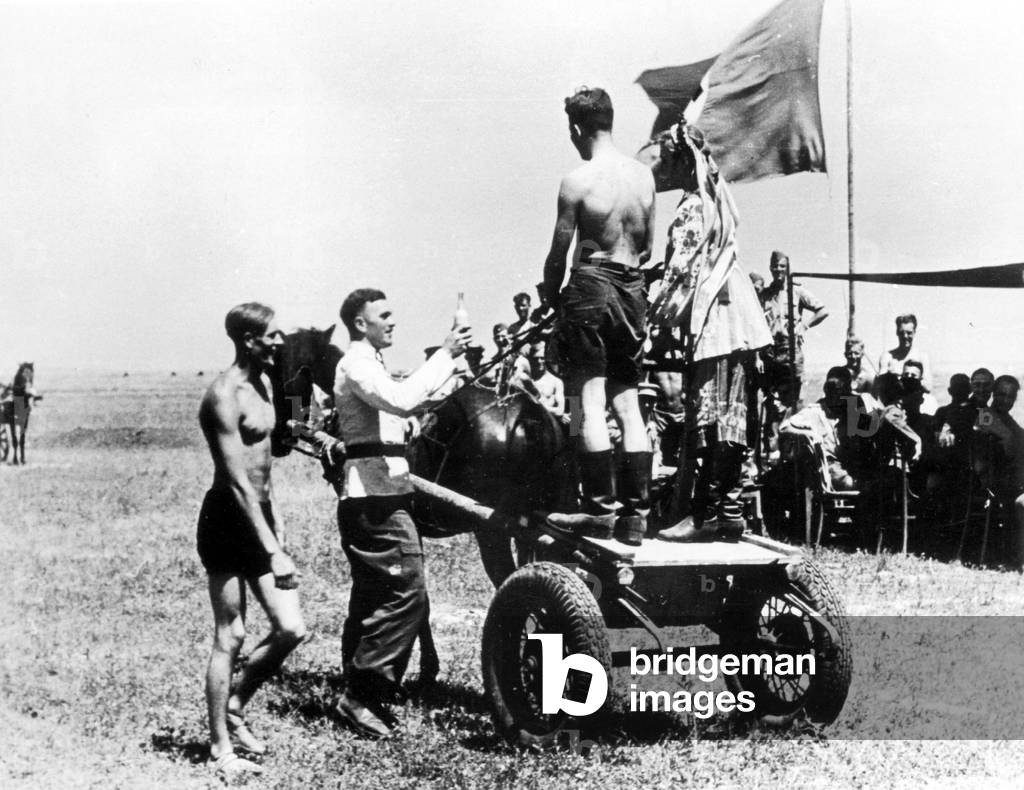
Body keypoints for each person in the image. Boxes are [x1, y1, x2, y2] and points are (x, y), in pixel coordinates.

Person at [331, 288, 471, 738]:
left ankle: (358, 686)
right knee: (408, 592)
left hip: (381, 492)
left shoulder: (371, 364)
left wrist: (452, 371)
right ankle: (362, 694)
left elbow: (412, 402)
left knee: (373, 595)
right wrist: (444, 355)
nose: (393, 322)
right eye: (383, 315)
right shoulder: (355, 364)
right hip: (373, 498)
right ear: (359, 322)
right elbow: (402, 401)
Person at [539, 86, 656, 545]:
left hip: (590, 286)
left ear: (576, 128)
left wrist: (551, 293)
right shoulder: (644, 177)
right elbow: (647, 248)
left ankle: (600, 512)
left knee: (588, 400)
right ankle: (636, 517)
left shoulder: (577, 180)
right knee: (628, 404)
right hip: (633, 289)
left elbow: (558, 252)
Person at [647, 124, 772, 542]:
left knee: (716, 417)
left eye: (667, 158)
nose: (662, 166)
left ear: (683, 160)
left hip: (716, 313)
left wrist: (653, 320)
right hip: (734, 313)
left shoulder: (692, 206)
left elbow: (682, 274)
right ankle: (729, 509)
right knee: (730, 416)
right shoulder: (714, 200)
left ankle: (707, 516)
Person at [197, 302, 306, 777]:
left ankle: (236, 704)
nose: (280, 343)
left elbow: (264, 467)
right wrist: (274, 551)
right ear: (249, 339)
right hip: (227, 520)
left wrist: (277, 517)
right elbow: (238, 481)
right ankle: (221, 747)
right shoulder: (223, 394)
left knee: (291, 629)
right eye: (273, 336)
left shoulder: (264, 384)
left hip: (259, 517)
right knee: (232, 634)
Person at [759, 250, 829, 409]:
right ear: (770, 269)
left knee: (794, 399)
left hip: (790, 351)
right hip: (770, 352)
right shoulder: (766, 295)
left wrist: (804, 326)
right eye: (775, 266)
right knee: (772, 403)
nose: (778, 269)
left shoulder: (797, 292)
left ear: (787, 268)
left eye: (782, 266)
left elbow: (823, 310)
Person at [973, 374, 1024, 567]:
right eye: (1001, 395)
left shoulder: (1008, 420)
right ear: (993, 393)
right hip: (997, 483)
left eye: (1010, 397)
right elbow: (1008, 443)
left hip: (1013, 480)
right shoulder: (985, 415)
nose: (1005, 401)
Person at [877, 313, 932, 393]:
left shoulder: (922, 357)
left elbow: (928, 387)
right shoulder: (887, 357)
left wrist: (909, 380)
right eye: (901, 333)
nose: (905, 336)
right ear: (897, 332)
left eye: (909, 333)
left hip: (914, 402)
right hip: (893, 401)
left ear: (914, 332)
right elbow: (880, 385)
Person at [521, 342, 565, 418]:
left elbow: (560, 411)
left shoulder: (556, 382)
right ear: (530, 360)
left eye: (542, 358)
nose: (539, 361)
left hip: (548, 422)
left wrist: (539, 407)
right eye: (535, 359)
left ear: (546, 359)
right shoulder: (525, 380)